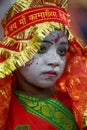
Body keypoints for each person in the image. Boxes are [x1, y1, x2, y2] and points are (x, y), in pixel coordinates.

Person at [0, 0, 87, 130]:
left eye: (61, 51)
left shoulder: (79, 105)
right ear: (15, 52)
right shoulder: (5, 111)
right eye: (41, 49)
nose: (55, 61)